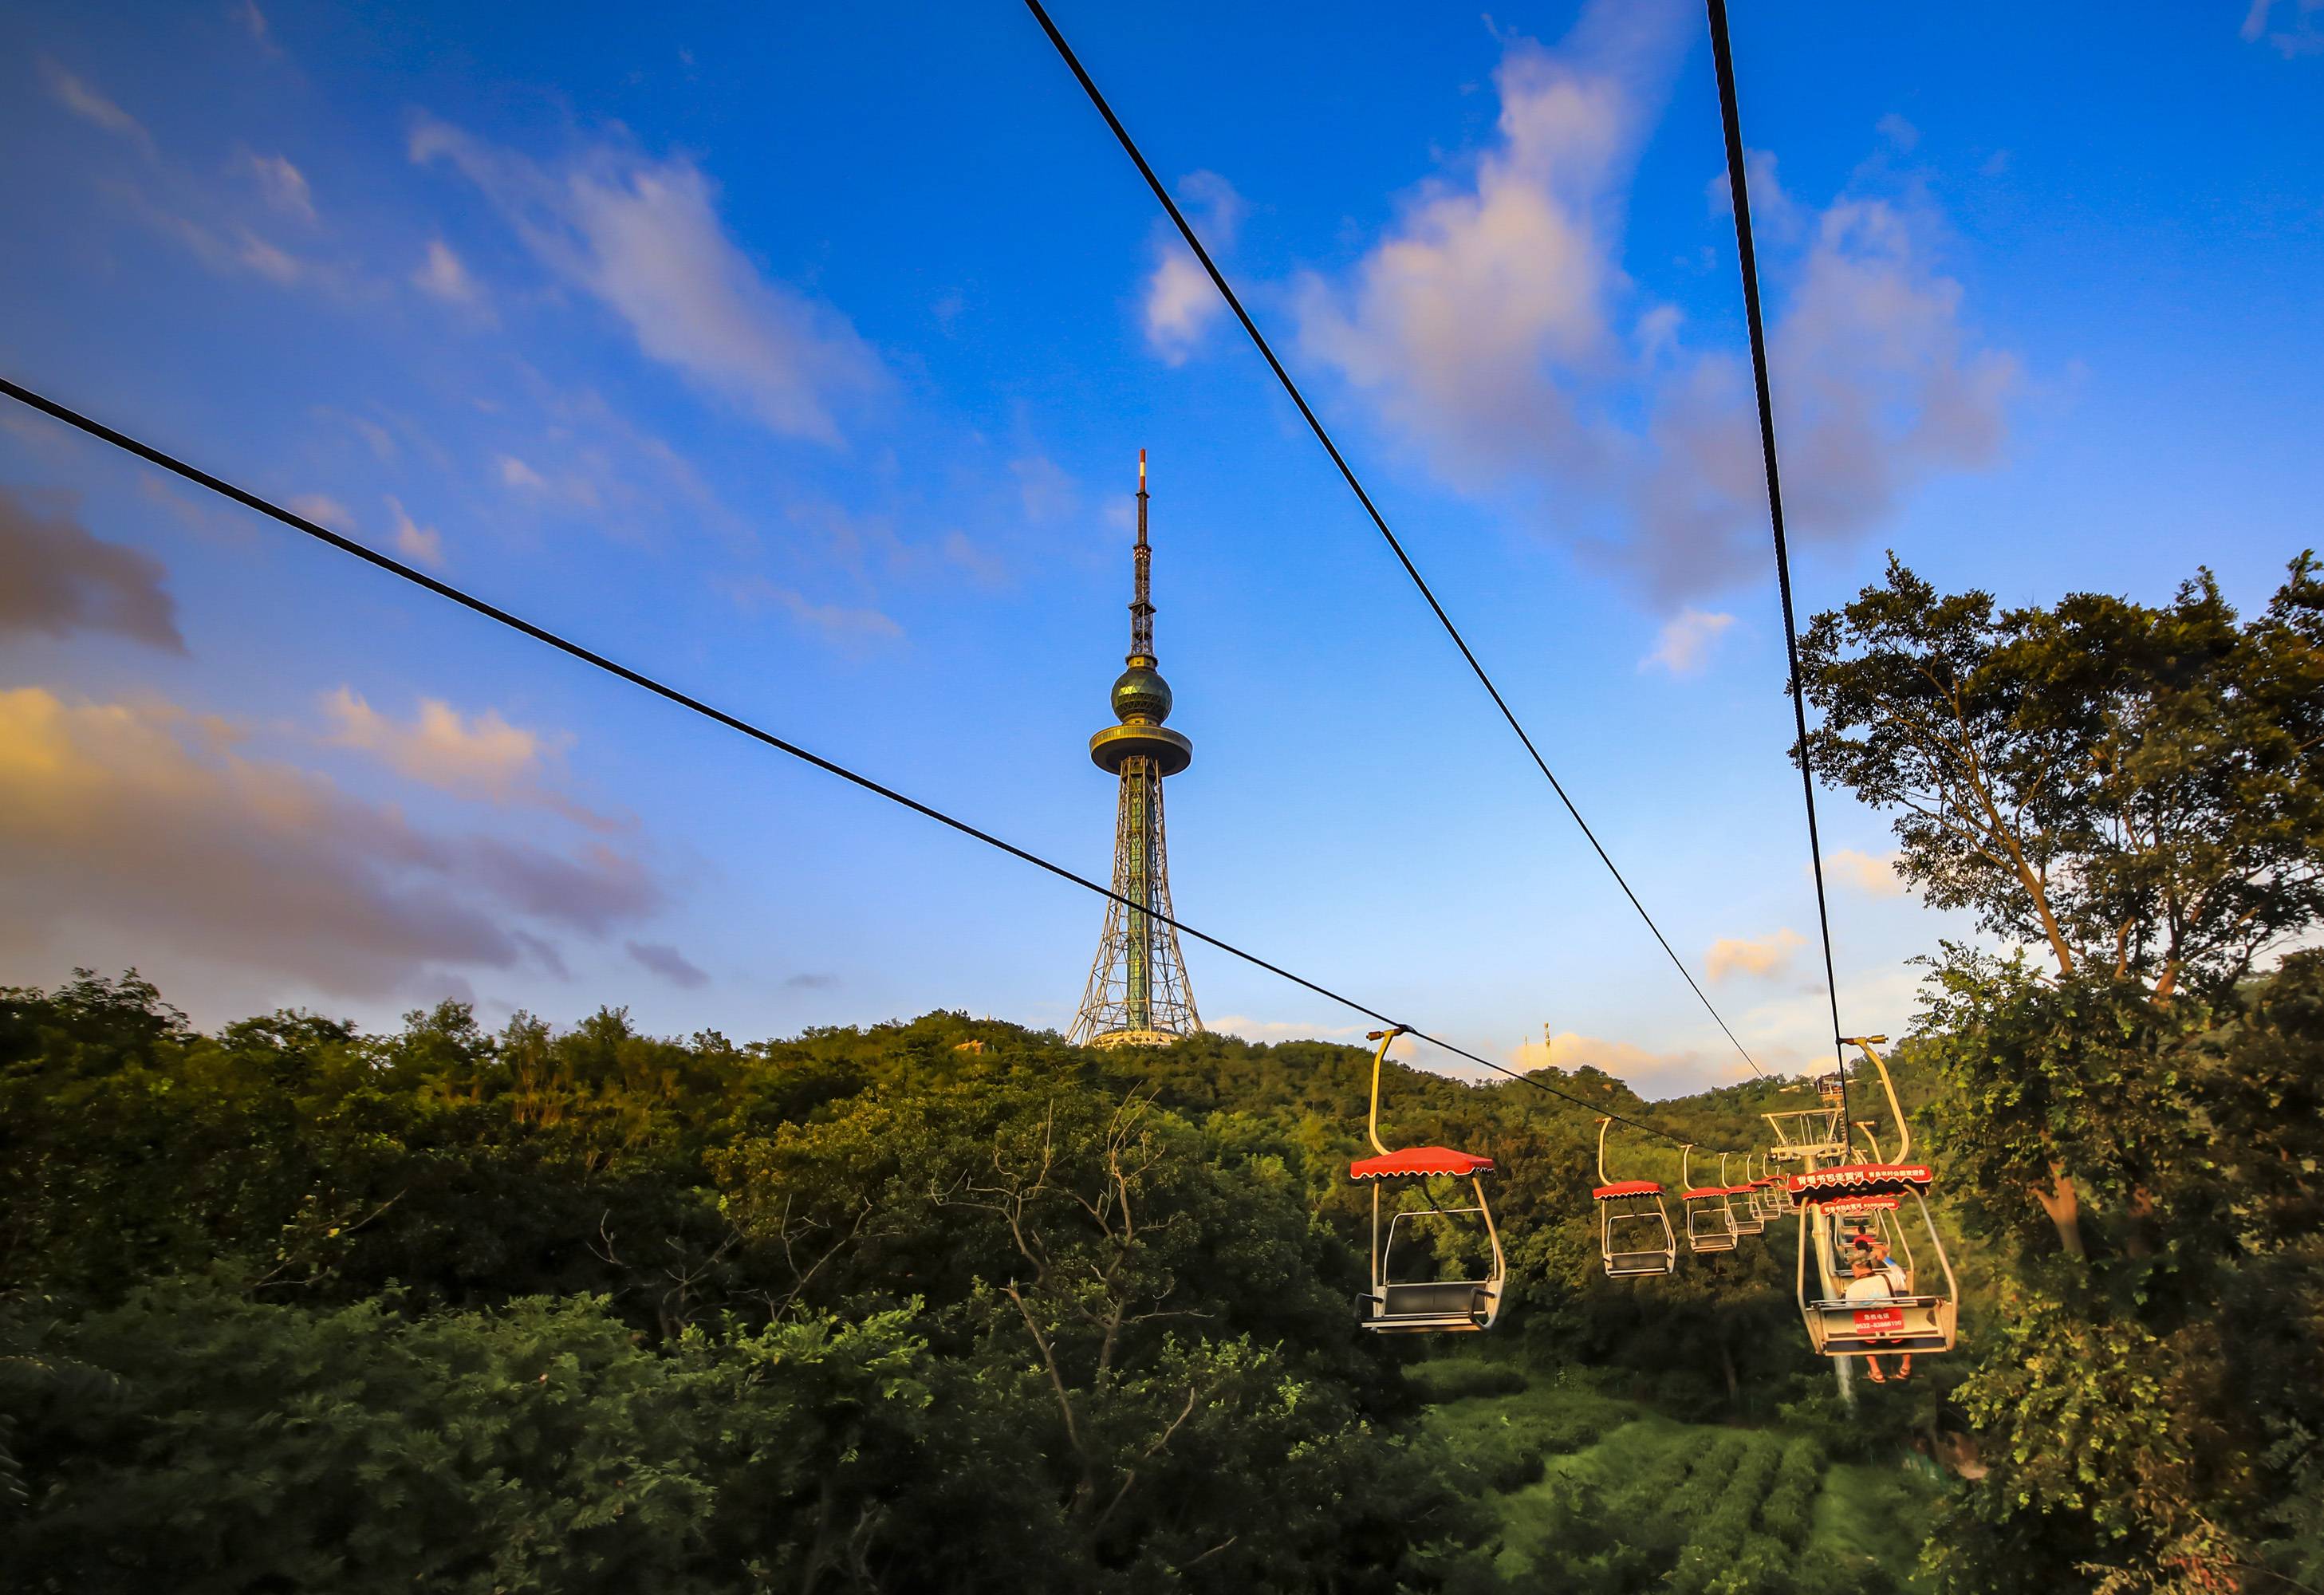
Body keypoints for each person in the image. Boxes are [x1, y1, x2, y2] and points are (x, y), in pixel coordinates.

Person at [1841, 1257, 1910, 1383]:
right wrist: (1885, 1258)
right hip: (1897, 1336)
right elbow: (1901, 1274)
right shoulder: (1887, 1279)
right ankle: (1906, 1366)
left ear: (1856, 1268)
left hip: (1871, 1340)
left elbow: (1849, 1314)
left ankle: (1876, 1370)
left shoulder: (1853, 1289)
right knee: (1909, 1324)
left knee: (1861, 1327)